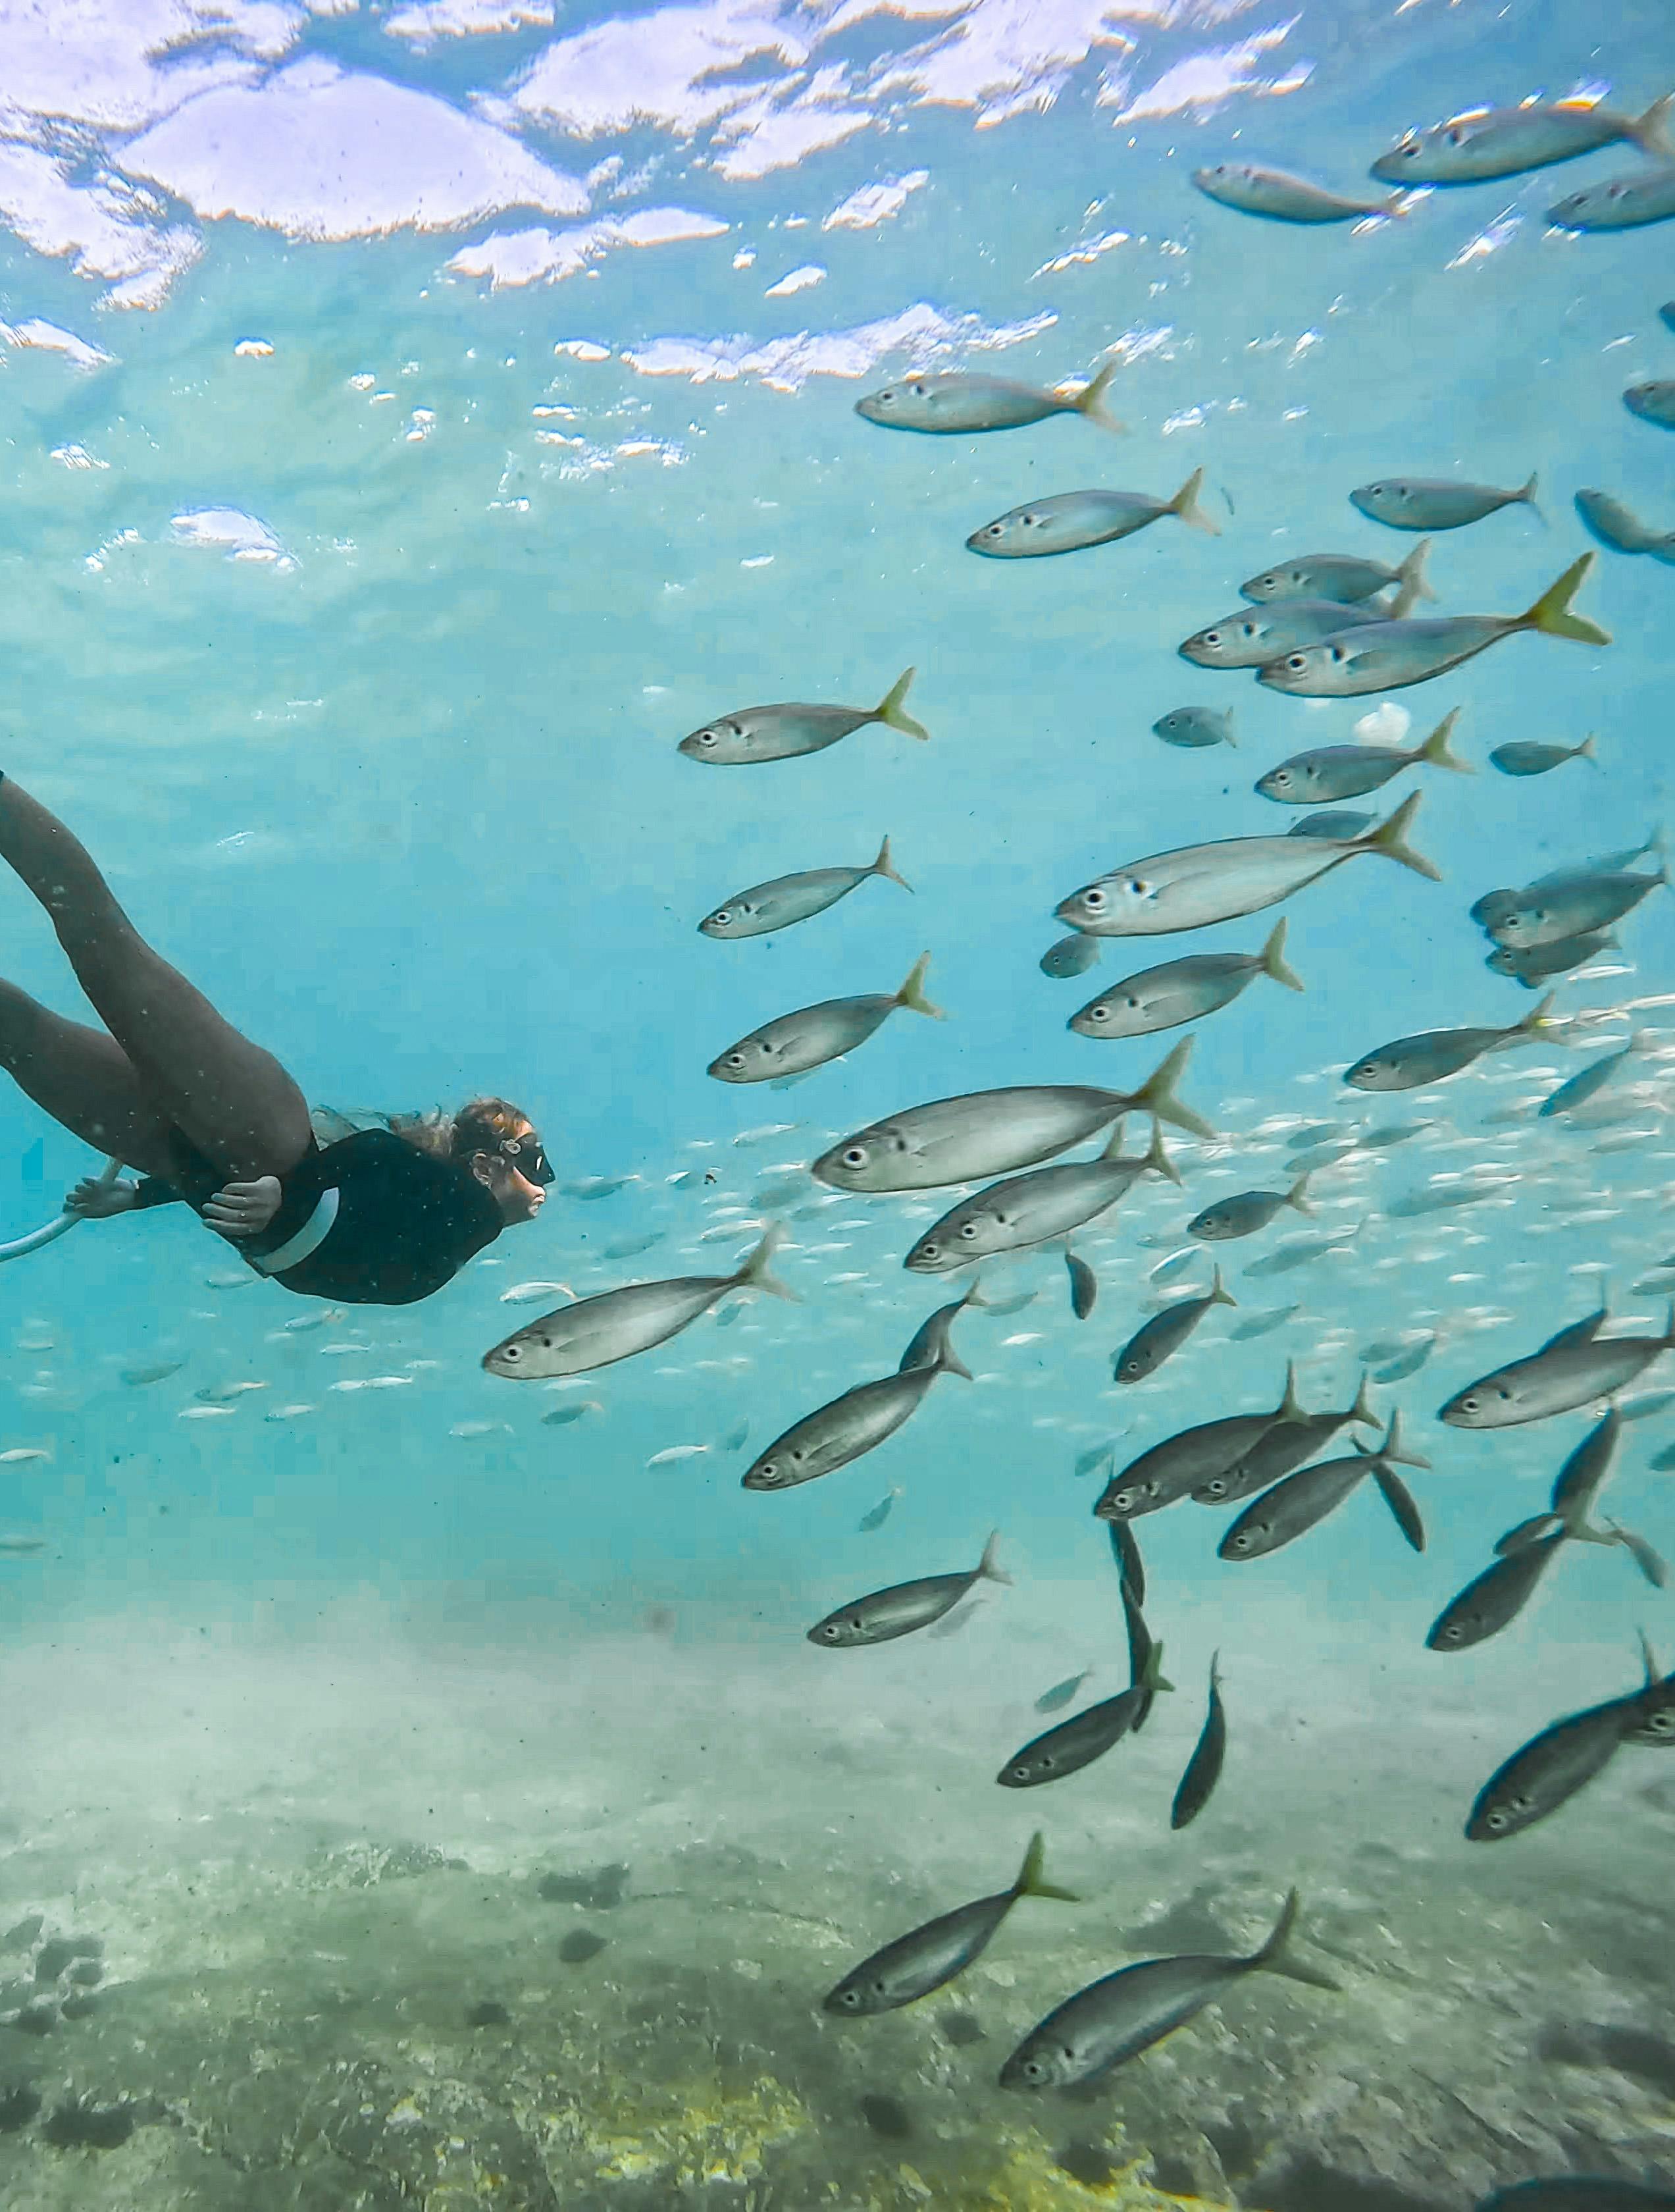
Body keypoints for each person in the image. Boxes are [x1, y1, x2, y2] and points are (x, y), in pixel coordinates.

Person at [0, 774, 550, 1305]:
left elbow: (364, 1202)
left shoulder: (444, 1216)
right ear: (484, 1167)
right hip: (264, 1145)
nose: (546, 1180)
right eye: (533, 1160)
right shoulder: (466, 1211)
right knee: (95, 950)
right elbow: (374, 1157)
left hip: (205, 1170)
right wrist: (294, 1194)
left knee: (43, 1001)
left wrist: (140, 1196)